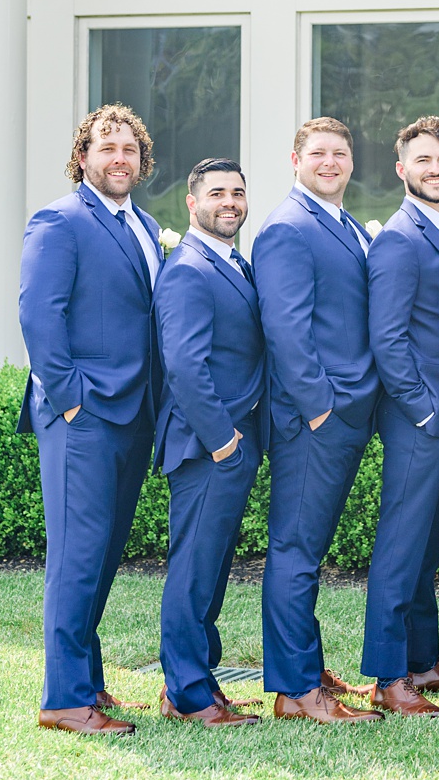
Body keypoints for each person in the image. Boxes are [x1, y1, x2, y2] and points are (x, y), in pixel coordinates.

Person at [18, 105, 167, 736]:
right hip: (82, 415)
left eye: (130, 149)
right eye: (107, 147)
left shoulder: (147, 224)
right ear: (83, 156)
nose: (119, 158)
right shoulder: (60, 219)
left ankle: (91, 682)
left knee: (103, 555)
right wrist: (72, 398)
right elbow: (38, 316)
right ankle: (63, 701)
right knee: (77, 555)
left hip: (134, 414)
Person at [254, 117, 383, 724]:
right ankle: (295, 690)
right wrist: (320, 408)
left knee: (310, 547)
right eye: (318, 154)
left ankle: (307, 665)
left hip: (348, 409)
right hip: (315, 420)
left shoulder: (346, 224)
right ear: (295, 159)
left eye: (339, 153)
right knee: (296, 549)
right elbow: (286, 329)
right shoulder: (287, 228)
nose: (330, 162)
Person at [361, 116, 439, 713]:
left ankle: (423, 663)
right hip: (420, 418)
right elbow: (388, 338)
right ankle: (388, 677)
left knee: (428, 545)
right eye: (424, 160)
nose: (436, 169)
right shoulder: (400, 239)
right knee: (401, 545)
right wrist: (424, 411)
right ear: (402, 169)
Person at [152, 158, 268, 727]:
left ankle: (201, 679)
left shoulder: (233, 263)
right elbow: (184, 366)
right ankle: (188, 694)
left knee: (213, 568)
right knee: (193, 570)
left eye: (238, 193)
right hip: (206, 447)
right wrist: (224, 441)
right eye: (218, 193)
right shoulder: (188, 270)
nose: (230, 202)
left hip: (231, 445)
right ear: (192, 203)